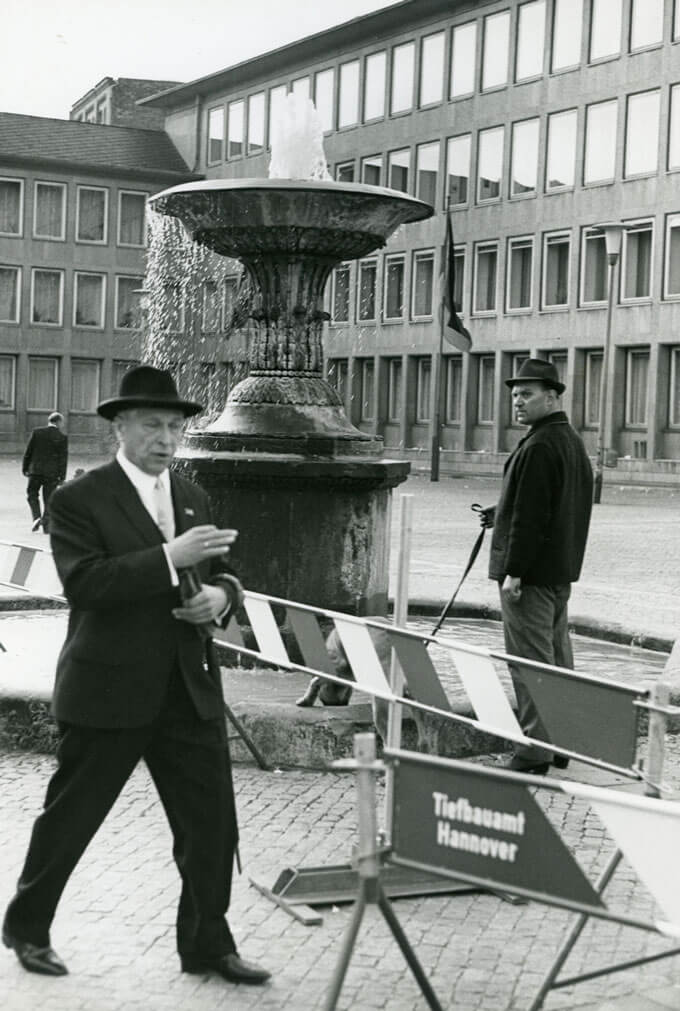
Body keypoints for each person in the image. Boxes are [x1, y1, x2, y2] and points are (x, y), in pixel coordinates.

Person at [3, 365, 270, 986]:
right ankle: (27, 926)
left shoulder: (191, 495)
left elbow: (227, 570)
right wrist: (168, 558)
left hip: (187, 687)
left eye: (175, 426)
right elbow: (85, 584)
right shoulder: (78, 499)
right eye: (152, 424)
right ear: (120, 426)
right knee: (71, 820)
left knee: (210, 827)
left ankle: (208, 943)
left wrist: (221, 599)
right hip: (108, 688)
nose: (166, 437)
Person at [480, 358, 593, 775]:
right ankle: (562, 742)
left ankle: (533, 753)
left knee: (529, 662)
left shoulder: (541, 444)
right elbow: (551, 503)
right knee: (559, 660)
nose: (518, 401)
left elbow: (532, 517)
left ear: (552, 395)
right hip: (558, 572)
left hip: (531, 577)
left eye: (527, 394)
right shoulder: (567, 440)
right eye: (514, 394)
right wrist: (502, 509)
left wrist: (515, 571)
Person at [22, 412, 68, 532]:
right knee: (49, 498)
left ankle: (36, 517)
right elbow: (63, 459)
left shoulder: (37, 432)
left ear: (49, 420)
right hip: (52, 473)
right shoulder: (62, 437)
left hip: (35, 471)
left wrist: (25, 468)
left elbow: (28, 452)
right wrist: (62, 476)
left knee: (32, 494)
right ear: (58, 422)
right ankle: (46, 525)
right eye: (62, 422)